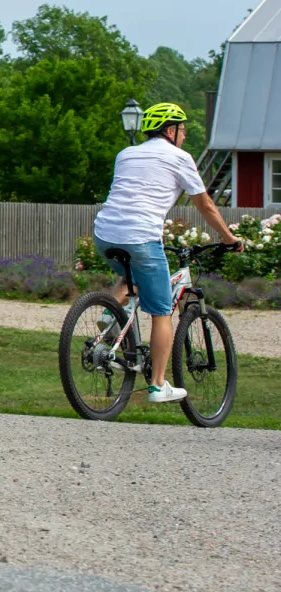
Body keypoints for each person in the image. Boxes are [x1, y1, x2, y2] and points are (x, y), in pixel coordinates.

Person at [91, 102, 242, 403]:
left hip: (105, 234)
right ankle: (159, 385)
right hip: (142, 237)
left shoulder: (126, 154)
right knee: (162, 312)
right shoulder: (180, 157)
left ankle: (109, 317)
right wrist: (228, 238)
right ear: (170, 130)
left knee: (131, 277)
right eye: (183, 130)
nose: (184, 136)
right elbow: (205, 204)